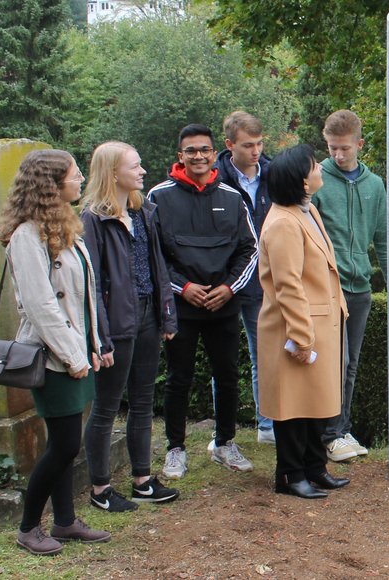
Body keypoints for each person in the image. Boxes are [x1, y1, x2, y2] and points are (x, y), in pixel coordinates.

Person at [0, 149, 111, 554]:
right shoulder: (27, 237)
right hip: (53, 356)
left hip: (74, 350)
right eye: (74, 174)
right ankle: (28, 527)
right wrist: (74, 356)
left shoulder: (62, 226)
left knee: (63, 444)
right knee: (64, 445)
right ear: (51, 184)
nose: (80, 180)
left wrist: (94, 345)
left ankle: (64, 522)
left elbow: (83, 298)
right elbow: (42, 307)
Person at [148, 124, 258, 478]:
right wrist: (183, 288)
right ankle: (175, 449)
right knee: (178, 377)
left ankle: (225, 443)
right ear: (180, 156)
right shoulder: (158, 196)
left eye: (204, 150)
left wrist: (229, 288)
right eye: (191, 151)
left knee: (227, 376)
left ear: (214, 154)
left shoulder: (232, 196)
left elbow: (250, 249)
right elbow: (152, 254)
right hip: (181, 306)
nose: (198, 156)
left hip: (223, 304)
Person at [81, 141, 180, 512]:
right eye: (135, 166)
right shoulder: (93, 219)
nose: (142, 171)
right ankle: (100, 489)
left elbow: (158, 269)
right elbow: (91, 283)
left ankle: (142, 481)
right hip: (117, 321)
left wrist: (166, 315)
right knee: (106, 407)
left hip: (148, 316)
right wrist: (100, 336)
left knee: (142, 401)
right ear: (112, 173)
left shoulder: (142, 212)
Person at [258, 144, 351, 498]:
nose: (320, 169)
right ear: (302, 181)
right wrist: (301, 336)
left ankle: (314, 467)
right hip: (297, 328)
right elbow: (288, 284)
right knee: (293, 406)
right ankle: (290, 475)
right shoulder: (284, 222)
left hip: (319, 323)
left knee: (315, 402)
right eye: (314, 166)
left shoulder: (305, 210)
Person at [310, 109, 387, 462]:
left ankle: (341, 429)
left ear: (359, 144)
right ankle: (329, 434)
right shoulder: (317, 181)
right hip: (328, 287)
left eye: (344, 148)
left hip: (360, 287)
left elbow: (382, 237)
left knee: (350, 364)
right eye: (332, 148)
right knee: (331, 362)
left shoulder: (375, 185)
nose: (338, 155)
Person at [215, 111, 274, 444]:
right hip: (224, 280)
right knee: (222, 361)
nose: (256, 151)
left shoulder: (272, 174)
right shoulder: (215, 178)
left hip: (262, 280)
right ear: (229, 145)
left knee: (263, 354)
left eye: (259, 143)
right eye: (248, 145)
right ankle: (223, 432)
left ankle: (267, 425)